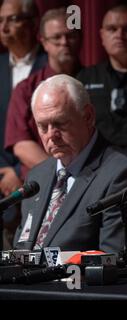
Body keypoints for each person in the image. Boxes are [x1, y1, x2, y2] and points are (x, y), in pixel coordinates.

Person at [13, 75, 127, 253]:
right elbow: (21, 247)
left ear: (88, 116)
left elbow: (109, 261)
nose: (51, 135)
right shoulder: (37, 176)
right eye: (43, 126)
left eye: (60, 123)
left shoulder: (121, 172)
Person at [5, 7, 83, 178]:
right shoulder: (26, 88)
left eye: (71, 36)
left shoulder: (94, 80)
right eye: (56, 37)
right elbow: (21, 146)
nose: (64, 42)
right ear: (43, 42)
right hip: (46, 180)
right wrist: (64, 174)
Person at [0, 0, 47, 249]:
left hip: (37, 178)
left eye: (13, 19)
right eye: (1, 20)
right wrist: (3, 171)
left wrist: (18, 171)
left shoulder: (50, 64)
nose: (4, 27)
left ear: (32, 24)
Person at [77, 4, 127, 158]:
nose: (120, 35)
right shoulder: (85, 78)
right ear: (102, 36)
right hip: (97, 165)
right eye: (112, 29)